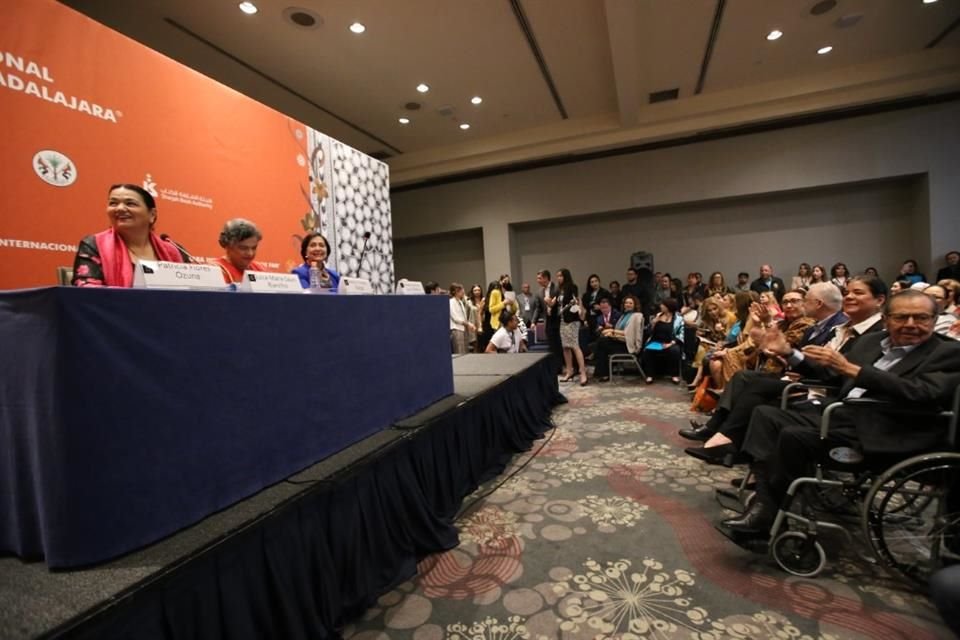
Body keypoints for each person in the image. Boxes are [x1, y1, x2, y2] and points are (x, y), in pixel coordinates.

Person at [721, 290, 960, 536]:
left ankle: (766, 513)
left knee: (794, 436)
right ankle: (765, 502)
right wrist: (790, 353)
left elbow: (923, 392)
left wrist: (853, 370)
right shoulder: (871, 341)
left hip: (888, 431)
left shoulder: (948, 352)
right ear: (886, 319)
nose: (911, 325)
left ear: (934, 319)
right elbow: (831, 375)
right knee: (766, 414)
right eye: (901, 317)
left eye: (921, 318)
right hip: (843, 416)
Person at [72, 184, 188, 287]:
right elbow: (86, 289)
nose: (120, 208)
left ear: (152, 214)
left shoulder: (174, 250)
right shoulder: (93, 244)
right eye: (113, 203)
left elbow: (193, 289)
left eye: (130, 203)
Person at [592, 295, 643, 381]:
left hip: (628, 345)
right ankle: (603, 373)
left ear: (635, 305)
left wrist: (612, 331)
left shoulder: (637, 316)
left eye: (630, 303)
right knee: (602, 342)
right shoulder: (623, 315)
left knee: (602, 343)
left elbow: (629, 334)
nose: (628, 304)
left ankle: (602, 372)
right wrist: (611, 332)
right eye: (626, 303)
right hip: (620, 341)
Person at [641, 298, 684, 384]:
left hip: (671, 341)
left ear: (668, 307)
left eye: (663, 305)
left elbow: (681, 333)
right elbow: (648, 332)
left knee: (674, 350)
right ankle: (650, 375)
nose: (661, 306)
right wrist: (653, 323)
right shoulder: (658, 316)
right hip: (656, 341)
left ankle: (674, 375)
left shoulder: (678, 318)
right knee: (648, 350)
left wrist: (671, 343)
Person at [556, 268, 587, 386]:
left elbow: (576, 301)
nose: (558, 278)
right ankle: (569, 371)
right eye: (557, 276)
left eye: (560, 276)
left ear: (566, 276)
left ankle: (582, 372)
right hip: (562, 320)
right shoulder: (559, 290)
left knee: (574, 345)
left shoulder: (572, 287)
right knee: (565, 346)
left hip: (572, 319)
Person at [213, 218, 267, 284]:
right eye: (243, 248)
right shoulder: (215, 271)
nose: (250, 253)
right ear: (227, 246)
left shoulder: (261, 269)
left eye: (254, 248)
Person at [533, 269, 562, 370]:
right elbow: (538, 308)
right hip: (548, 321)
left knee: (559, 344)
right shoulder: (539, 292)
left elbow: (560, 304)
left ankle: (562, 366)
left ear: (546, 278)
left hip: (558, 320)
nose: (538, 280)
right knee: (552, 345)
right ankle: (555, 368)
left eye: (539, 278)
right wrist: (533, 322)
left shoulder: (557, 288)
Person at [449, 283, 474, 354]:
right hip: (456, 329)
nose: (463, 291)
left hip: (463, 329)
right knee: (459, 351)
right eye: (460, 290)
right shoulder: (451, 302)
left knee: (465, 351)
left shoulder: (460, 302)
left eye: (462, 289)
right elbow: (455, 318)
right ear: (454, 292)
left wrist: (468, 324)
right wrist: (468, 324)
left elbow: (464, 316)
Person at [466, 284, 485, 352]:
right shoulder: (468, 302)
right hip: (473, 325)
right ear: (472, 291)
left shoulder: (484, 300)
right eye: (475, 290)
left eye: (478, 290)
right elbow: (466, 315)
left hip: (483, 325)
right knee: (475, 346)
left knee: (483, 345)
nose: (477, 292)